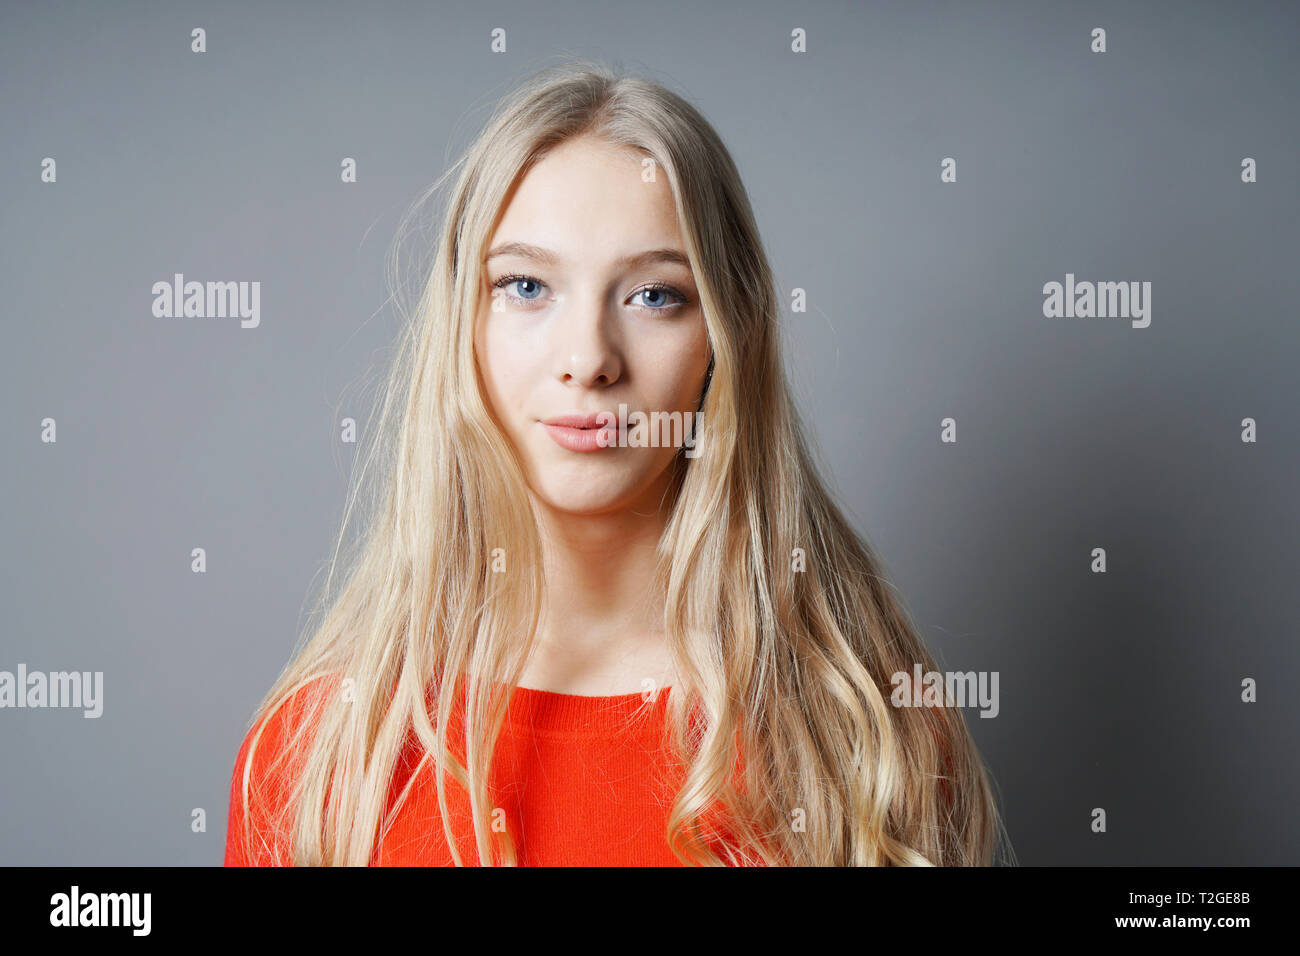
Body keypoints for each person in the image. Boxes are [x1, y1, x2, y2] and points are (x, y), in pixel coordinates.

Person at [224, 59, 1011, 866]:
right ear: (463, 330)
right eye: (526, 286)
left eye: (654, 295)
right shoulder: (320, 751)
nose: (589, 358)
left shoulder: (862, 732)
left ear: (726, 339)